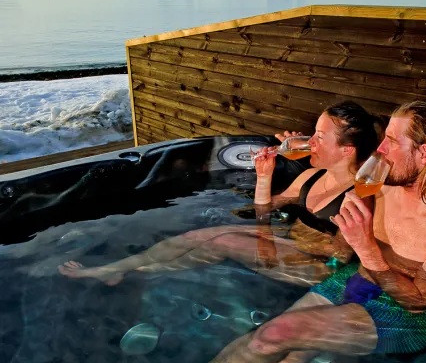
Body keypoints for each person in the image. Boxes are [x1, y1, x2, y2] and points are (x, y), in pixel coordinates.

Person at [112, 100, 426, 363]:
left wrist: (365, 248)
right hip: (354, 280)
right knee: (275, 354)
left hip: (403, 318)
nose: (379, 150)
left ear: (425, 155)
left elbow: (421, 301)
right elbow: (341, 171)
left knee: (278, 335)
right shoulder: (382, 181)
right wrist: (297, 149)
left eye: (391, 142)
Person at [58, 101, 383, 287]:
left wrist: (268, 238)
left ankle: (122, 271)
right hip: (292, 245)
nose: (310, 141)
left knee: (224, 240)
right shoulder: (313, 175)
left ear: (345, 150)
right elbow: (264, 210)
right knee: (209, 233)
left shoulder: (359, 195)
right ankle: (123, 268)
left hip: (316, 270)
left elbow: (340, 259)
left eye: (320, 137)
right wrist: (264, 176)